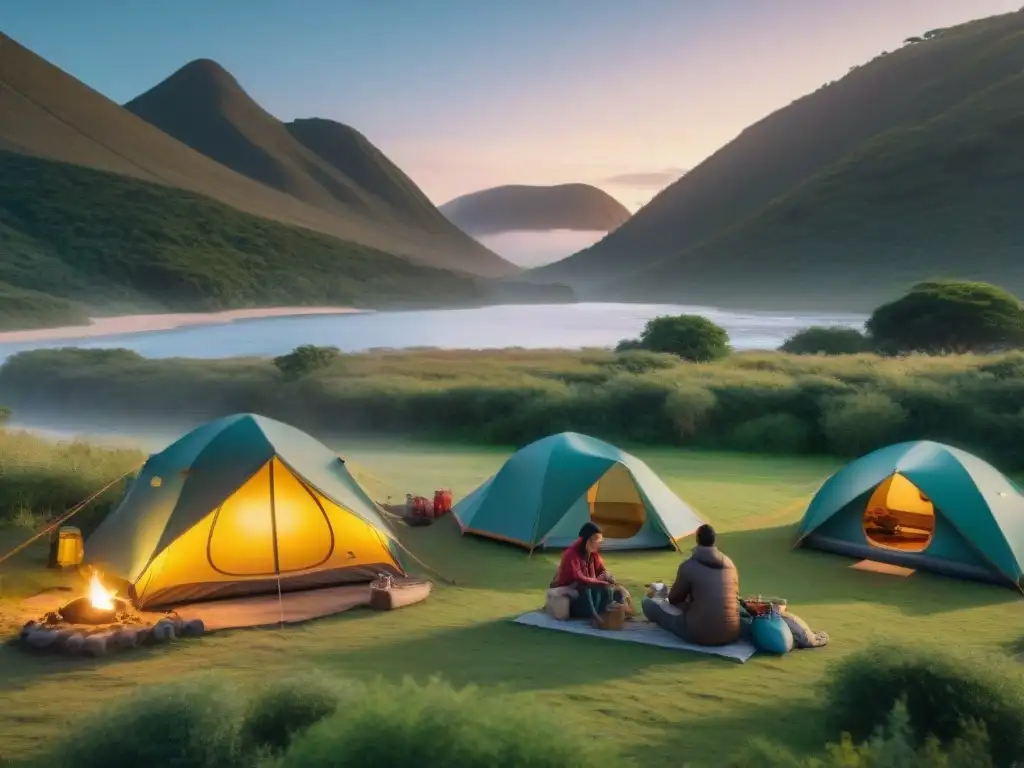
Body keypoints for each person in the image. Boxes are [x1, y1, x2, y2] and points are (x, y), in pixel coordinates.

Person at [642, 524, 740, 646]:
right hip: (732, 633)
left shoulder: (689, 566)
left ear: (697, 539)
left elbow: (673, 599)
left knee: (648, 603)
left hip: (700, 633)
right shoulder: (730, 565)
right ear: (714, 540)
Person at [550, 522, 618, 628]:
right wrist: (600, 582)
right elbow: (579, 579)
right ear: (586, 540)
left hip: (589, 591)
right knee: (588, 589)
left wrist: (607, 577)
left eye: (598, 541)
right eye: (594, 540)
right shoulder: (571, 554)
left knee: (614, 591)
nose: (596, 544)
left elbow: (601, 571)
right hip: (572, 596)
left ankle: (605, 614)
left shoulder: (593, 553)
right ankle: (596, 617)